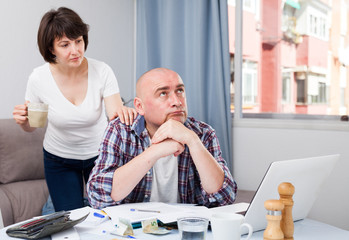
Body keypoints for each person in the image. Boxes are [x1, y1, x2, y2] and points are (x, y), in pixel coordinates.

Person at [12, 7, 137, 211]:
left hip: (100, 156)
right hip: (58, 159)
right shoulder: (38, 78)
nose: (75, 50)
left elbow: (115, 113)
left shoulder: (102, 71)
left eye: (78, 41)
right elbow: (33, 126)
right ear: (51, 49)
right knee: (69, 219)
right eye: (65, 45)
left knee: (108, 213)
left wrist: (125, 113)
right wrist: (25, 122)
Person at [87, 68, 237, 209]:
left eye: (180, 91)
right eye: (163, 94)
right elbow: (97, 196)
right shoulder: (120, 130)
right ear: (140, 106)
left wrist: (193, 141)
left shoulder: (202, 133)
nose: (177, 102)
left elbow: (225, 198)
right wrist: (154, 152)